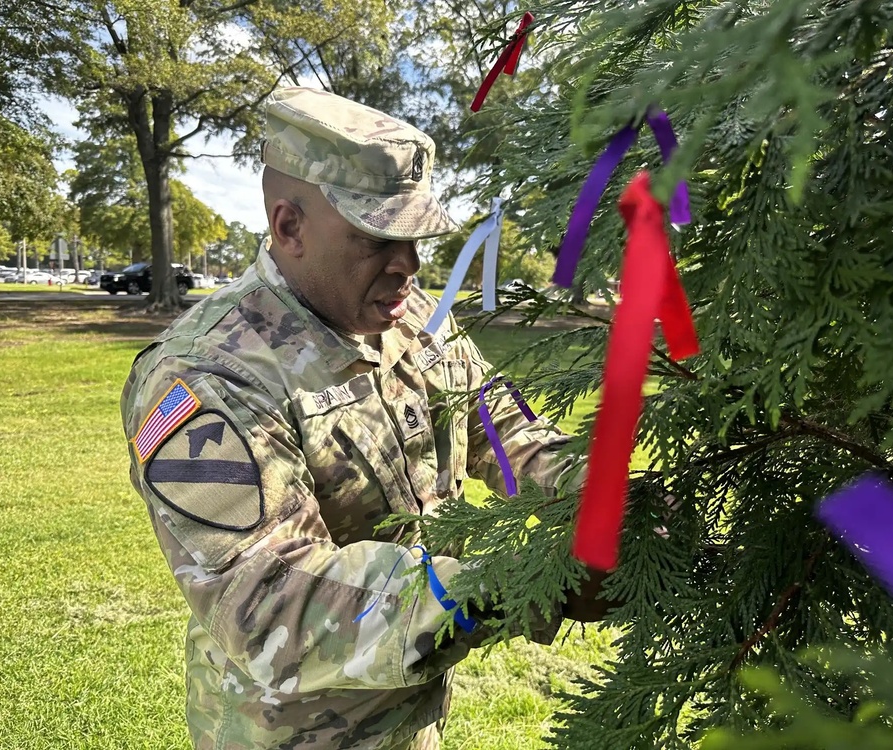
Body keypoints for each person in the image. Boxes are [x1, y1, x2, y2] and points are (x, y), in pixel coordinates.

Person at [120, 87, 608, 750]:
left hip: (409, 712)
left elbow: (499, 426)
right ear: (289, 227)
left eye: (414, 237)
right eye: (378, 237)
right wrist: (524, 588)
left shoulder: (416, 319)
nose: (408, 263)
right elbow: (269, 602)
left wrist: (600, 498)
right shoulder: (206, 376)